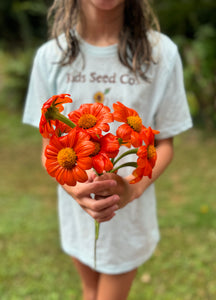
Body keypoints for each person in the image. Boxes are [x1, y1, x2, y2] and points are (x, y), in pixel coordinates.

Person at [23, 0, 193, 299]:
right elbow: (50, 146)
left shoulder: (161, 54)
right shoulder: (51, 57)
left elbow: (163, 143)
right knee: (90, 290)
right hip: (76, 212)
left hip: (129, 214)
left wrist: (134, 188)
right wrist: (72, 187)